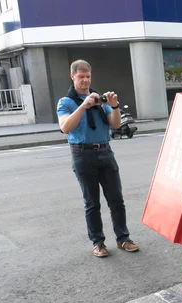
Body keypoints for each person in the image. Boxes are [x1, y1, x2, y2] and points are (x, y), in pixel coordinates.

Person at [57, 59, 139, 258]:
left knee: (116, 200)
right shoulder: (66, 102)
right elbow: (65, 127)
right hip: (82, 154)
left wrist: (115, 105)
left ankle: (123, 238)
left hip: (105, 151)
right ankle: (98, 243)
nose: (85, 80)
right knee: (92, 202)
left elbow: (116, 124)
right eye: (81, 77)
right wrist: (83, 106)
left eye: (88, 77)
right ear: (72, 77)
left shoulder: (99, 100)